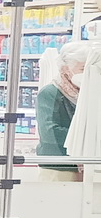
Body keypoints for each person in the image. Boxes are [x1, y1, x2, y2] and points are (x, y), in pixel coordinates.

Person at [37, 40, 90, 174]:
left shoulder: (89, 93)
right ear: (66, 68)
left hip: (88, 166)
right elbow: (49, 132)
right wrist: (84, 139)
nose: (87, 74)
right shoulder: (50, 93)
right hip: (58, 167)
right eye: (82, 69)